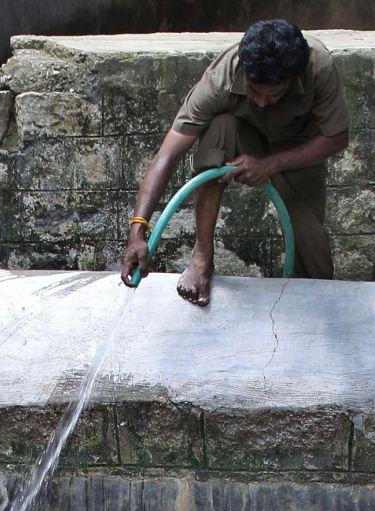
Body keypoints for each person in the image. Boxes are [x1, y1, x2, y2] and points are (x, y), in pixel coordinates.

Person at [120, 19, 350, 306]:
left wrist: (271, 164)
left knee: (315, 265)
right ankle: (202, 257)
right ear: (244, 71)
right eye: (254, 91)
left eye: (274, 94)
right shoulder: (221, 77)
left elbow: (336, 137)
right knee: (219, 127)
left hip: (297, 151)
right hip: (243, 138)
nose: (263, 102)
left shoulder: (318, 66)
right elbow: (167, 156)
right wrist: (137, 230)